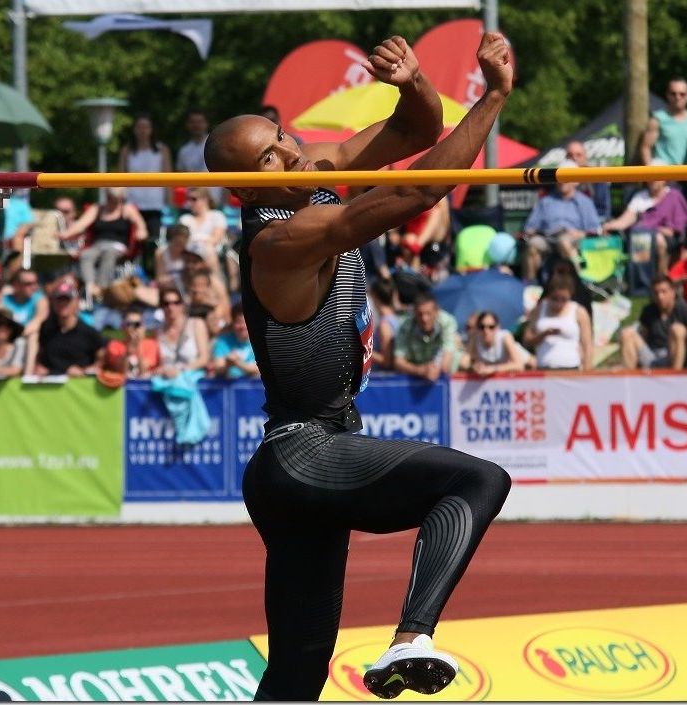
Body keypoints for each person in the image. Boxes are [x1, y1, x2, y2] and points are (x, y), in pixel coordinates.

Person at [203, 32, 513, 701]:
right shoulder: (278, 242)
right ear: (241, 186)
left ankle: (402, 643)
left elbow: (416, 128)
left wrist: (414, 82)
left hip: (310, 456)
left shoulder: (310, 170)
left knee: (295, 675)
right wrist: (493, 99)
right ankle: (411, 639)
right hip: (302, 453)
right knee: (476, 480)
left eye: (280, 136)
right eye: (268, 157)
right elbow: (414, 195)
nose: (290, 151)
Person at [601, 163, 687, 276]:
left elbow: (676, 228)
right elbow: (625, 220)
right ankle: (640, 282)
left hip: (667, 237)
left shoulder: (674, 195)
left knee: (656, 239)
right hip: (642, 235)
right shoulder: (640, 197)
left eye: (656, 176)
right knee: (641, 236)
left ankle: (661, 278)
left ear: (665, 179)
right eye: (650, 176)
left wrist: (658, 230)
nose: (653, 180)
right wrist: (609, 226)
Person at [60, 187, 148, 300]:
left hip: (117, 246)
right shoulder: (98, 208)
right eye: (111, 198)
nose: (113, 201)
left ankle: (101, 288)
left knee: (109, 254)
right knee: (86, 255)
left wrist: (142, 232)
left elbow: (141, 225)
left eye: (117, 199)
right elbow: (81, 224)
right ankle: (90, 286)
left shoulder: (127, 209)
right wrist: (65, 234)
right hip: (97, 245)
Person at [522, 160, 601, 263]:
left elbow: (594, 230)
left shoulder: (585, 202)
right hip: (548, 239)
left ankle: (579, 276)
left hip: (574, 241)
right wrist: (536, 232)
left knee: (564, 242)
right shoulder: (545, 201)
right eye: (560, 177)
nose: (563, 181)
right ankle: (530, 279)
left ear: (575, 181)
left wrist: (578, 234)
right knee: (533, 244)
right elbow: (530, 228)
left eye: (566, 177)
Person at [118, 113, 173, 256]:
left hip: (155, 203)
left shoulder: (161, 150)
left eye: (146, 127)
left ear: (151, 129)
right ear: (134, 130)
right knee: (132, 242)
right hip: (133, 203)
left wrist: (170, 203)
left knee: (154, 242)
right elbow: (120, 178)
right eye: (139, 127)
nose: (142, 131)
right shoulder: (127, 150)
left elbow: (168, 177)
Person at [26, 280, 104, 378]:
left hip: (79, 386)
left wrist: (84, 371)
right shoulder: (45, 330)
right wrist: (38, 367)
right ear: (53, 302)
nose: (62, 304)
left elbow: (102, 359)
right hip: (48, 385)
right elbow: (37, 356)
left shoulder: (89, 332)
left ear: (76, 302)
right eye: (59, 299)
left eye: (67, 300)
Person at [620, 274, 687, 370]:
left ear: (672, 292)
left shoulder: (684, 309)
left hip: (672, 356)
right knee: (627, 333)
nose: (660, 296)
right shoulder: (648, 310)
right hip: (652, 356)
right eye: (656, 293)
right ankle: (629, 379)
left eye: (664, 292)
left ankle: (676, 378)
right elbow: (643, 335)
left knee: (678, 329)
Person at [522, 273, 592, 371]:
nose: (559, 304)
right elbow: (527, 340)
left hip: (571, 368)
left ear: (570, 295)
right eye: (555, 299)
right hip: (544, 369)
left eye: (564, 299)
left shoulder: (579, 311)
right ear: (549, 295)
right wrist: (544, 334)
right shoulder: (539, 309)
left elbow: (587, 344)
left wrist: (587, 371)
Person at [393, 291, 461, 381]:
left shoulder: (447, 322)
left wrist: (436, 369)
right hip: (416, 371)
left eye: (428, 313)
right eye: (420, 314)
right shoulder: (405, 326)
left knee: (463, 360)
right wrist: (420, 370)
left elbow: (447, 355)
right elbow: (398, 361)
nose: (424, 318)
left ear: (437, 312)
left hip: (442, 371)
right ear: (414, 313)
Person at [640, 76, 687, 166]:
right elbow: (645, 148)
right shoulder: (657, 119)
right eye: (673, 93)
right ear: (667, 95)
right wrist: (651, 174)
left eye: (682, 94)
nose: (678, 97)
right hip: (663, 174)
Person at [155, 285, 210, 378]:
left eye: (176, 302)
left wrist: (181, 371)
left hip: (191, 381)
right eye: (166, 303)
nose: (170, 307)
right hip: (165, 383)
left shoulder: (196, 324)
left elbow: (204, 358)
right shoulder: (157, 332)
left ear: (182, 305)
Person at [98, 306, 160, 386]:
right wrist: (128, 351)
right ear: (122, 327)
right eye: (129, 324)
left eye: (137, 324)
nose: (133, 328)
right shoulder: (114, 345)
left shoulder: (151, 344)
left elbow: (143, 370)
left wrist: (138, 344)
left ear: (143, 327)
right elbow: (120, 370)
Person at [179, 187, 228, 274]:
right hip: (189, 251)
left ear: (205, 199)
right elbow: (182, 240)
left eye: (193, 199)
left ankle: (215, 280)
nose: (190, 203)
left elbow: (215, 239)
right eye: (188, 199)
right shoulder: (185, 219)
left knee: (208, 249)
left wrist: (199, 242)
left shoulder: (217, 215)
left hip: (210, 251)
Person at [466, 309, 528, 376]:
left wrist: (493, 368)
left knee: (532, 364)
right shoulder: (475, 338)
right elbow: (468, 362)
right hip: (498, 370)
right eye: (482, 327)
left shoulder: (504, 337)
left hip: (517, 352)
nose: (486, 331)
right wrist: (475, 366)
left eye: (491, 327)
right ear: (477, 328)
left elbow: (519, 365)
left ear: (497, 328)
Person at [565, 140, 611, 220]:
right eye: (570, 155)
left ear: (585, 156)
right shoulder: (558, 179)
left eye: (578, 155)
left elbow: (603, 211)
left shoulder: (597, 178)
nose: (574, 158)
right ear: (566, 157)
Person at [211, 305, 259, 379]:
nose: (242, 326)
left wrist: (238, 363)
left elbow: (260, 369)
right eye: (238, 322)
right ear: (233, 324)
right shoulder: (222, 342)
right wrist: (228, 364)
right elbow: (217, 368)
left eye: (245, 322)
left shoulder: (260, 341)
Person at [0, 308, 26, 380]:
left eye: (8, 325)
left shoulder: (18, 345)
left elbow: (16, 371)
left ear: (12, 329)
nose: (3, 328)